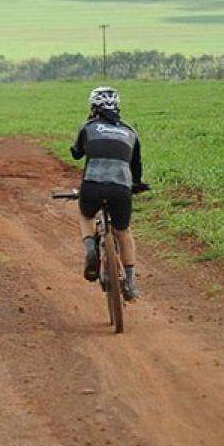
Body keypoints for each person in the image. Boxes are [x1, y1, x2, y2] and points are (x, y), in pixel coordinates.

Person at [70, 87, 149, 301]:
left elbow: (76, 153)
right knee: (123, 232)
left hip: (92, 186)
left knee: (86, 216)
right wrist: (136, 185)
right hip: (121, 189)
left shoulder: (88, 127)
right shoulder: (130, 131)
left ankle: (90, 249)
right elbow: (136, 168)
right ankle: (131, 283)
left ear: (93, 107)